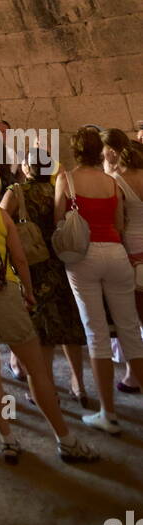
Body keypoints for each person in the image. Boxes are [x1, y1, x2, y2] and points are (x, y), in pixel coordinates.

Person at [0, 157, 97, 466]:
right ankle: (65, 439)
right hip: (4, 294)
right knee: (37, 370)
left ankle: (7, 440)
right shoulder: (0, 216)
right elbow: (20, 259)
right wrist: (27, 292)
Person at [55, 126, 143, 434]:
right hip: (117, 254)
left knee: (97, 334)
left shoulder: (66, 180)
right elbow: (119, 222)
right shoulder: (111, 181)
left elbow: (58, 220)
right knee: (130, 329)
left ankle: (108, 413)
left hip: (84, 257)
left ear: (75, 150)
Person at [0, 149, 88, 406]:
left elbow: (1, 222)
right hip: (62, 262)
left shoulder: (16, 191)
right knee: (69, 325)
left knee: (42, 330)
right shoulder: (57, 190)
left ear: (27, 168)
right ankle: (79, 385)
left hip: (34, 267)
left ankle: (47, 389)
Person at [102, 130, 143, 394]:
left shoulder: (117, 181)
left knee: (132, 316)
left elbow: (117, 222)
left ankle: (133, 375)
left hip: (132, 251)